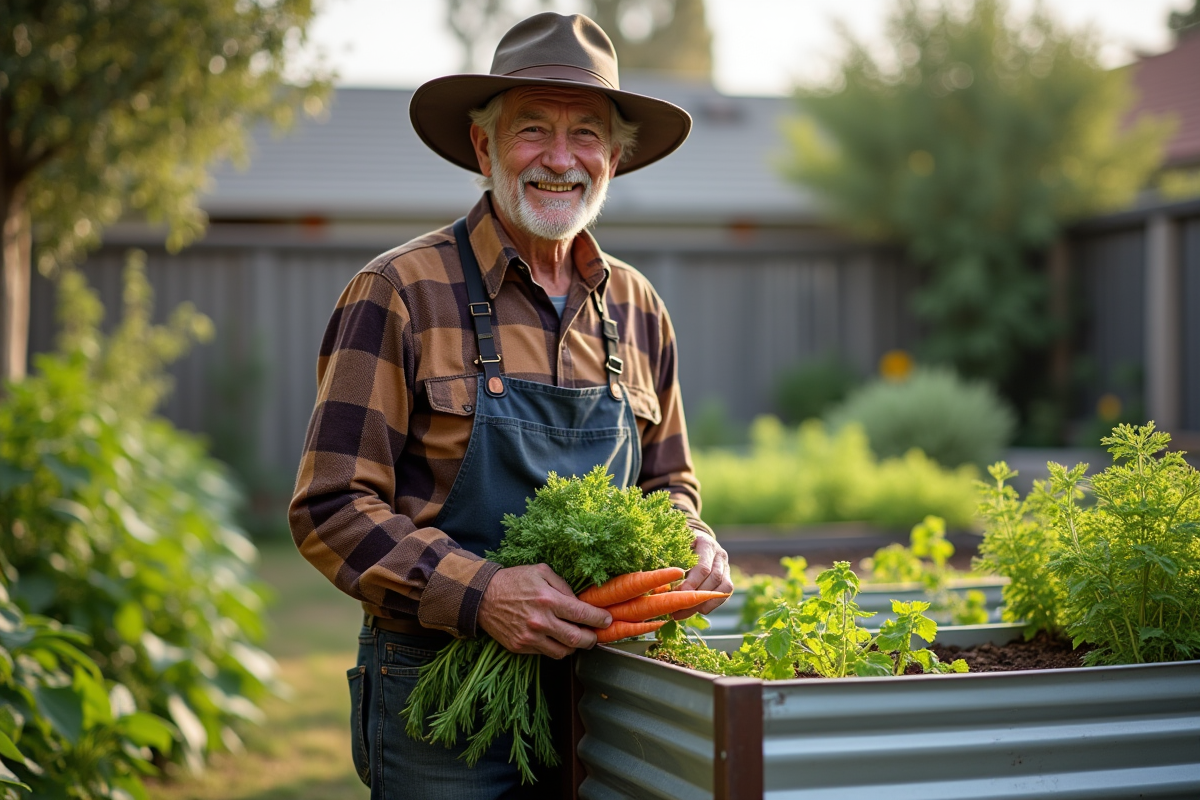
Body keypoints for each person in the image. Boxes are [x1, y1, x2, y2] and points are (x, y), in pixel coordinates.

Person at [288, 11, 732, 799]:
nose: (561, 159)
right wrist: (481, 592)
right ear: (484, 146)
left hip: (609, 685)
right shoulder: (400, 291)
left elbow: (670, 482)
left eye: (587, 135)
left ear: (616, 158)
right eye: (533, 130)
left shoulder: (636, 306)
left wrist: (692, 539)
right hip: (440, 694)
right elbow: (331, 507)